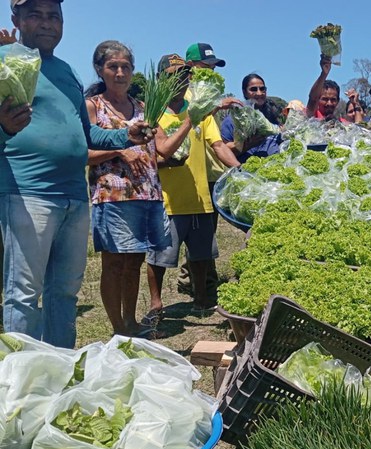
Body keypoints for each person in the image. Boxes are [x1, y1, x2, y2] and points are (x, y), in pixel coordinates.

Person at [0, 0, 153, 348]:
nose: (46, 23)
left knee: (65, 292)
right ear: (16, 19)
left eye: (54, 16)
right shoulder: (4, 61)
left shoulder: (66, 71)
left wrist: (125, 135)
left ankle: (58, 368)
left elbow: (86, 133)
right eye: (35, 15)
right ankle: (19, 382)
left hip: (73, 197)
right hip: (27, 192)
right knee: (23, 294)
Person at [145, 54, 240, 325]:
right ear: (161, 79)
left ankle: (201, 299)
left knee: (201, 254)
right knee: (160, 257)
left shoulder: (200, 110)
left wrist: (239, 170)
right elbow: (148, 155)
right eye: (174, 75)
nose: (181, 79)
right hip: (167, 199)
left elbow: (218, 145)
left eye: (185, 74)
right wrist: (166, 159)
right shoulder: (154, 113)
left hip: (199, 197)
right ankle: (156, 303)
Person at [85, 41, 169, 339]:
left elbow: (162, 149)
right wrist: (120, 150)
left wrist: (192, 121)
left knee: (134, 262)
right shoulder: (93, 106)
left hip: (146, 193)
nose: (120, 73)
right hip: (114, 195)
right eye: (113, 67)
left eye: (126, 67)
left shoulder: (144, 108)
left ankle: (131, 322)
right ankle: (118, 328)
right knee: (115, 262)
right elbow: (84, 152)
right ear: (100, 69)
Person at [220, 73, 282, 163]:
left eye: (262, 89)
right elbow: (223, 151)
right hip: (244, 173)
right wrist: (248, 144)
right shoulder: (232, 121)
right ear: (244, 92)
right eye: (253, 89)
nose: (259, 93)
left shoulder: (272, 117)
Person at [306, 54, 361, 123]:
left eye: (333, 100)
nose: (329, 103)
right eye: (325, 99)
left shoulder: (342, 124)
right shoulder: (312, 117)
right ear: (318, 100)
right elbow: (312, 99)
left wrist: (356, 104)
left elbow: (361, 131)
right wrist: (324, 73)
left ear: (338, 101)